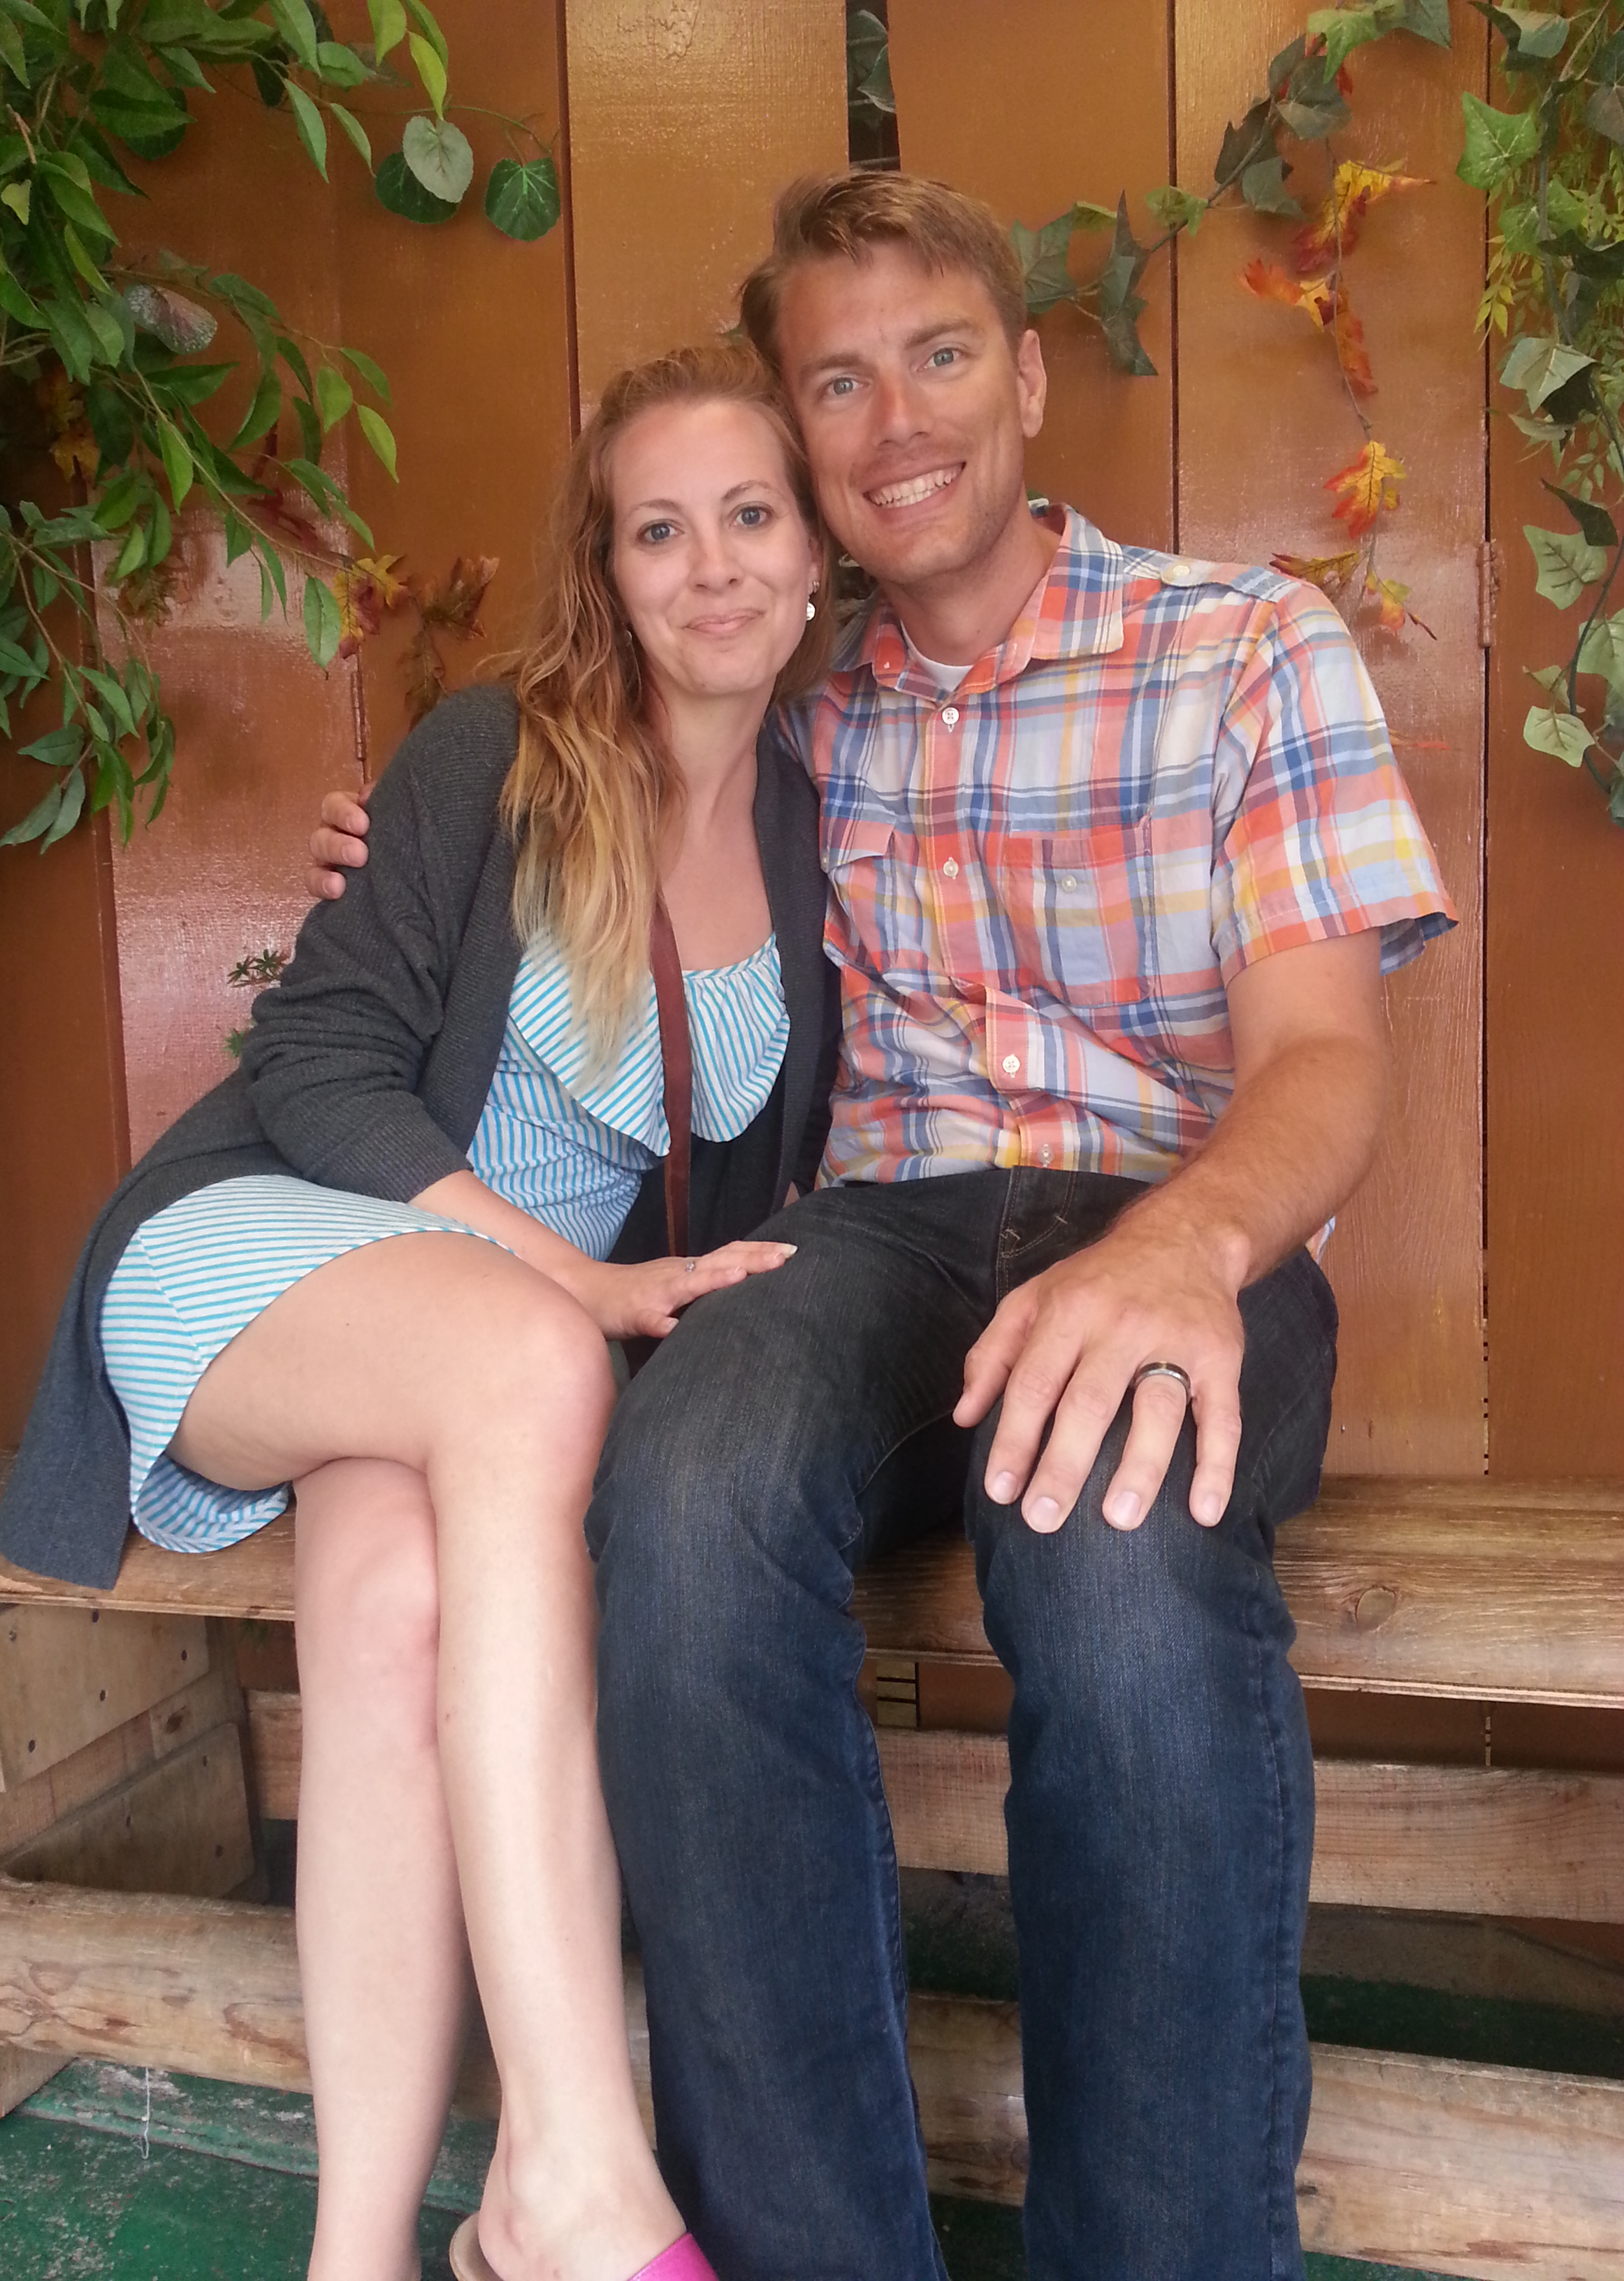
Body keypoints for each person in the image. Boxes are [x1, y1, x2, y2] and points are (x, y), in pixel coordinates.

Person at [308, 172, 1457, 2281]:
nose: (896, 418)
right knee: (684, 1484)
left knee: (1113, 1539)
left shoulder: (1244, 647)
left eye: (938, 356)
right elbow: (564, 788)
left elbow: (1324, 1058)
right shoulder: (786, 699)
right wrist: (407, 855)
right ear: (798, 438)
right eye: (836, 383)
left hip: (1175, 1224)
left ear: (1025, 380)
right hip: (880, 1241)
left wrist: (1179, 1250)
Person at [0, 340, 842, 2281]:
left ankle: (360, 2253)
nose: (710, 566)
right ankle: (574, 2176)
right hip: (266, 1249)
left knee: (389, 1617)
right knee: (531, 1359)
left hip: (469, 1365)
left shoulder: (819, 823)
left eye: (749, 516)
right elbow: (317, 1066)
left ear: (815, 552)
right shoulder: (498, 754)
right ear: (605, 572)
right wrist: (576, 1282)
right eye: (657, 530)